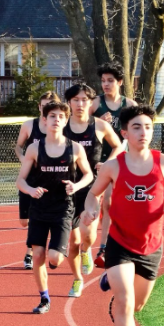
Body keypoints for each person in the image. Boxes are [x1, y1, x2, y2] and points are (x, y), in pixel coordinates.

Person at [83, 105, 164, 326]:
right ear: (124, 132)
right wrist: (90, 210)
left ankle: (110, 281)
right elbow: (93, 195)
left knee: (137, 305)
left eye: (148, 127)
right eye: (137, 127)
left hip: (152, 246)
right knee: (125, 302)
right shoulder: (114, 166)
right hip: (120, 243)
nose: (144, 132)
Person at [16, 101, 93, 314]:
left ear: (65, 121)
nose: (56, 119)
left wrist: (75, 185)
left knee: (55, 258)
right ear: (44, 119)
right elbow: (20, 180)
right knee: (38, 255)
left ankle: (57, 255)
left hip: (63, 209)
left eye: (60, 116)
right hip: (39, 209)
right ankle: (44, 299)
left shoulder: (74, 148)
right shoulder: (34, 148)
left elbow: (89, 174)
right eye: (52, 116)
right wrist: (31, 191)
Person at [63, 83, 122, 298]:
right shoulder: (61, 126)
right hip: (66, 187)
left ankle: (87, 252)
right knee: (73, 241)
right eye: (76, 100)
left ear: (91, 103)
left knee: (87, 237)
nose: (80, 104)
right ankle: (77, 279)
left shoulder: (99, 126)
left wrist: (108, 163)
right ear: (69, 103)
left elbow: (118, 145)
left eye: (84, 100)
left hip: (91, 188)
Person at [90, 62, 137, 268]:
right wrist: (97, 122)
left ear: (119, 82)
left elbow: (139, 133)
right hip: (96, 162)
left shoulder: (130, 106)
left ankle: (111, 246)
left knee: (115, 205)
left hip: (121, 162)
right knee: (97, 204)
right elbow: (79, 127)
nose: (106, 84)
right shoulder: (95, 104)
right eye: (103, 81)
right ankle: (96, 245)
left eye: (110, 81)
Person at [14, 91, 60, 269]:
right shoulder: (29, 125)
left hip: (50, 179)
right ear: (39, 107)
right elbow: (18, 146)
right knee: (24, 221)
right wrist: (24, 159)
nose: (46, 108)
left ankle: (31, 253)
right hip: (29, 178)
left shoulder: (59, 126)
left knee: (38, 217)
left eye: (51, 105)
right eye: (44, 105)